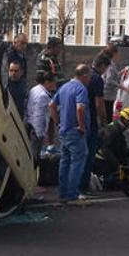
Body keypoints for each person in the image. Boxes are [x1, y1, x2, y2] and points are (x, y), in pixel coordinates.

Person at [49, 64, 92, 206]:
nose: (89, 79)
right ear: (84, 75)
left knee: (65, 162)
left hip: (64, 130)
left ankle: (63, 193)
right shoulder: (81, 89)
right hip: (75, 131)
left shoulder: (64, 87)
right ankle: (72, 194)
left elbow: (51, 105)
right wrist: (81, 125)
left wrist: (57, 122)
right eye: (89, 76)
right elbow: (80, 107)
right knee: (77, 161)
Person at [80, 55, 111, 198]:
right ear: (103, 66)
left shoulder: (83, 77)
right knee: (88, 156)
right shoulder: (97, 79)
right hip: (91, 121)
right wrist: (104, 122)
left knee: (77, 156)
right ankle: (83, 187)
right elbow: (99, 103)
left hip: (79, 120)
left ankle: (74, 186)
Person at [94, 107, 129, 184]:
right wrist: (118, 165)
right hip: (102, 162)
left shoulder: (116, 129)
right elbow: (106, 150)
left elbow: (120, 147)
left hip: (106, 159)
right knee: (113, 181)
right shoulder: (113, 130)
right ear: (125, 120)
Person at [25, 72, 57, 159]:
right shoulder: (43, 96)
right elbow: (39, 116)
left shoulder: (34, 89)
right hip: (35, 131)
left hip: (29, 125)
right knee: (34, 156)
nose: (55, 85)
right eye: (53, 82)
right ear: (47, 82)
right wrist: (40, 134)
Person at [100, 44, 129, 123]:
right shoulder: (110, 65)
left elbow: (111, 77)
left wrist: (121, 72)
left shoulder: (110, 64)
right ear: (114, 54)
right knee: (108, 117)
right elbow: (109, 80)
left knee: (108, 116)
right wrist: (124, 88)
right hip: (107, 96)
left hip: (108, 95)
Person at [4, 33, 29, 115]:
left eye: (25, 43)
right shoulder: (10, 54)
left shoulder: (22, 55)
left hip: (21, 82)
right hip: (12, 84)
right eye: (22, 43)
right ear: (15, 42)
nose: (24, 46)